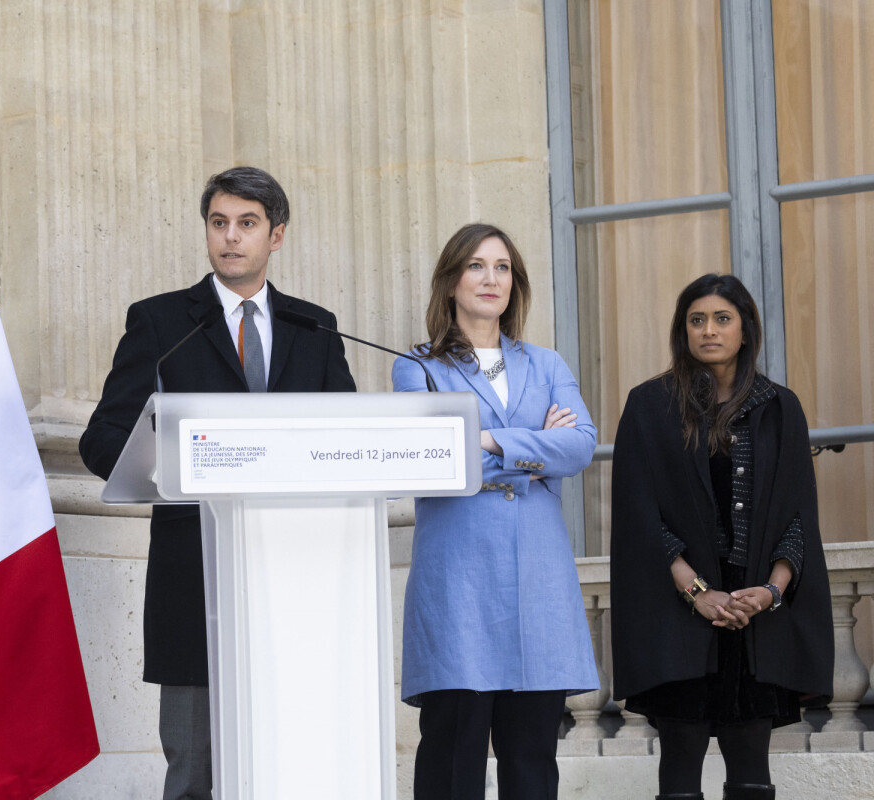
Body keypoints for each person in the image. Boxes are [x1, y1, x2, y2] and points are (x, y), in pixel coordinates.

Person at [79, 166, 356, 799]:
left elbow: (343, 442)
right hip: (193, 580)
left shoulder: (313, 326)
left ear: (276, 236)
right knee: (196, 771)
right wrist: (175, 464)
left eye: (247, 224)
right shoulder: (161, 322)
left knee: (292, 764)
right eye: (219, 223)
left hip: (296, 579)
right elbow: (101, 441)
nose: (230, 238)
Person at [392, 223, 598, 799]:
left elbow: (580, 445)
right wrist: (535, 445)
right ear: (451, 280)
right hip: (458, 577)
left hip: (537, 575)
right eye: (477, 265)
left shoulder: (547, 362)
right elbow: (434, 460)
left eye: (503, 267)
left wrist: (488, 441)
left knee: (533, 760)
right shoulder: (418, 367)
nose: (491, 278)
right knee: (452, 756)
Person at [610, 274, 833, 800]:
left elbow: (799, 514)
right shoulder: (650, 405)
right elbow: (638, 514)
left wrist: (771, 592)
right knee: (680, 763)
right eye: (697, 319)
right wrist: (696, 592)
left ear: (745, 328)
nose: (708, 330)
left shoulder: (781, 408)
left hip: (754, 616)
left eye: (722, 318)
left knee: (751, 768)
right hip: (677, 609)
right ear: (683, 329)